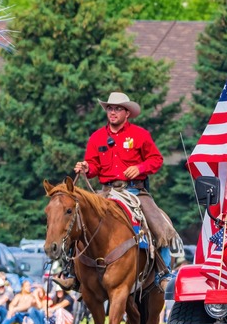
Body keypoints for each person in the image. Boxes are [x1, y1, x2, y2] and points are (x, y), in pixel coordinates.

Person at [65, 91, 178, 290]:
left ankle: (164, 274)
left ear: (127, 113)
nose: (113, 112)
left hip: (135, 192)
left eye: (117, 108)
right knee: (79, 219)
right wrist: (86, 167)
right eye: (110, 108)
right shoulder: (97, 137)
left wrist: (140, 168)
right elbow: (94, 166)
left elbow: (156, 160)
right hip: (106, 193)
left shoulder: (140, 135)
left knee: (159, 225)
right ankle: (72, 273)